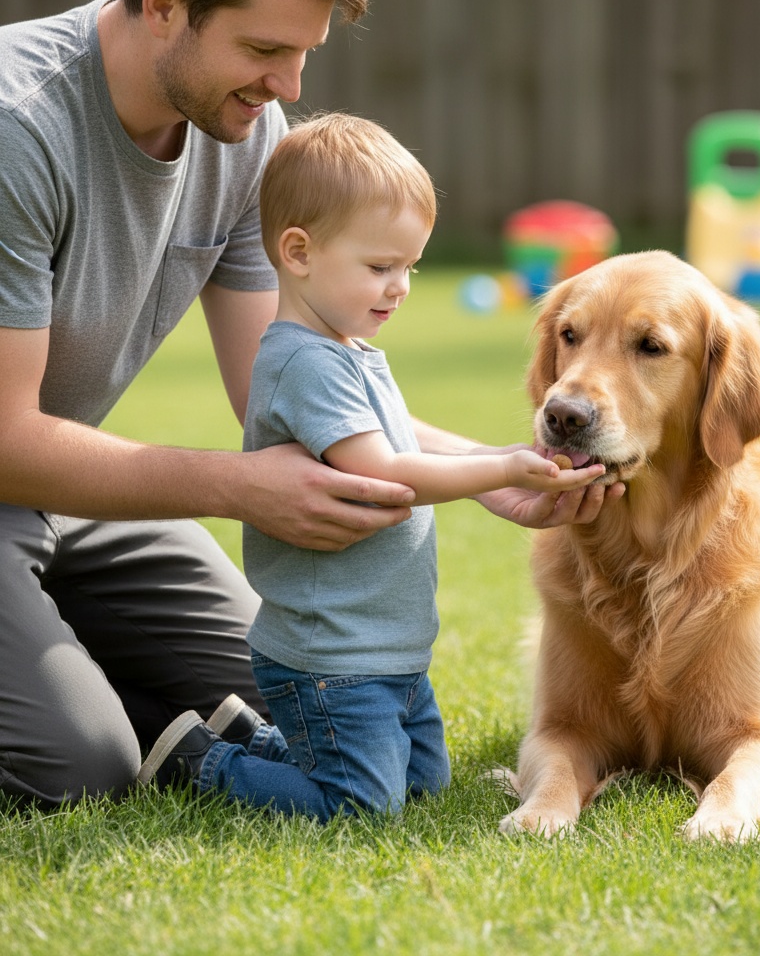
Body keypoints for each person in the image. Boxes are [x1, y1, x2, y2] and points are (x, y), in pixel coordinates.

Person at [0, 0, 621, 811]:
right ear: (165, 5)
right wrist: (240, 487)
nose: (288, 86)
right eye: (264, 48)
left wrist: (491, 476)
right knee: (75, 767)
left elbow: (294, 386)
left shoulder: (241, 128)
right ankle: (83, 713)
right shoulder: (19, 128)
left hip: (60, 493)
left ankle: (72, 675)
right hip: (13, 461)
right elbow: (6, 437)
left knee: (297, 689)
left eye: (304, 54)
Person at [136, 113, 606, 819]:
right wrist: (504, 469)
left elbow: (400, 440)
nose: (401, 287)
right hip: (333, 656)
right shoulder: (305, 363)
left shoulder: (349, 350)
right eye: (381, 267)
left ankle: (249, 737)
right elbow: (385, 472)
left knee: (424, 785)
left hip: (385, 648)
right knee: (360, 804)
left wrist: (499, 464)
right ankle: (200, 765)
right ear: (298, 252)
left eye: (409, 267)